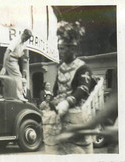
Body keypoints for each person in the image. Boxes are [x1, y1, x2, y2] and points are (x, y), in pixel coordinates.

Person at [49, 21, 94, 154]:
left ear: (73, 49)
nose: (60, 52)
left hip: (76, 113)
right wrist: (50, 100)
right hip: (59, 115)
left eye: (63, 48)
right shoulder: (60, 67)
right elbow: (56, 90)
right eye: (59, 48)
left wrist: (67, 102)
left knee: (80, 151)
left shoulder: (82, 67)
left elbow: (83, 88)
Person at [0, 29, 32, 101]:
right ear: (23, 34)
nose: (25, 40)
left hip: (15, 60)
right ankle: (20, 95)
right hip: (10, 59)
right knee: (18, 76)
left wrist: (25, 57)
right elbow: (7, 52)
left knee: (9, 78)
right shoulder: (16, 40)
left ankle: (11, 94)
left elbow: (23, 51)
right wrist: (4, 67)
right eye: (25, 38)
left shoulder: (25, 42)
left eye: (27, 39)